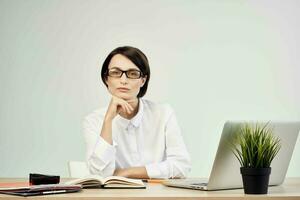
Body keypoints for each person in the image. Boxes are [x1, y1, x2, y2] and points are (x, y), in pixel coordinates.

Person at [83, 46, 191, 179]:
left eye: (133, 73)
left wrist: (127, 172)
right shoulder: (94, 120)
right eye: (116, 73)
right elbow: (99, 175)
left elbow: (181, 166)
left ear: (143, 80)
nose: (123, 80)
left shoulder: (163, 114)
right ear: (106, 79)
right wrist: (108, 121)